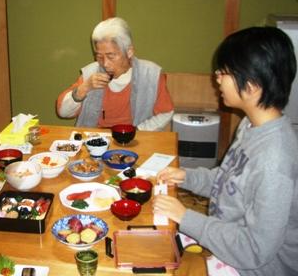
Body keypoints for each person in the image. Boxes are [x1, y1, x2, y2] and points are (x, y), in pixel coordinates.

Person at [153, 27, 298, 276]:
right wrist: (186, 176)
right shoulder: (251, 124)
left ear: (251, 86)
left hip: (253, 267)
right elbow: (229, 180)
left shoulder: (275, 160)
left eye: (225, 72)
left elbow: (254, 249)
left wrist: (185, 216)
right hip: (228, 240)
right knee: (148, 241)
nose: (217, 77)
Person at [56, 17, 174, 131]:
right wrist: (85, 87)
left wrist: (138, 131)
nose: (105, 64)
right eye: (99, 56)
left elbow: (166, 113)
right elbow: (63, 112)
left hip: (135, 139)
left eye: (111, 56)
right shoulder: (91, 73)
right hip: (95, 139)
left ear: (129, 51)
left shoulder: (150, 74)